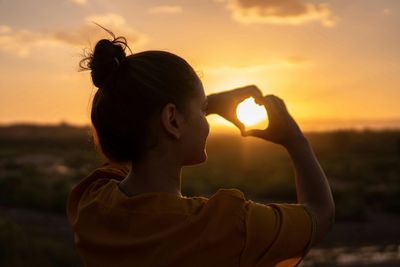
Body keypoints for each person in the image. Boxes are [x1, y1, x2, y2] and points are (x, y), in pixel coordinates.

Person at [67, 28, 335, 267]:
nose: (206, 119)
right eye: (202, 109)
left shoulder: (91, 203)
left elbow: (131, 134)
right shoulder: (228, 225)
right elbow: (320, 213)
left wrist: (196, 108)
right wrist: (295, 141)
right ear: (171, 119)